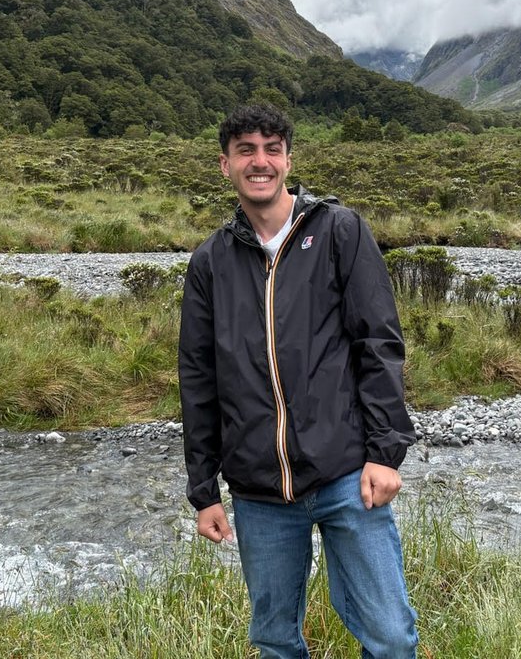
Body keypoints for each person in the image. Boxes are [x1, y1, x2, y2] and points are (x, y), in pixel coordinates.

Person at [179, 102, 418, 659]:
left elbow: (377, 343)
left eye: (271, 149)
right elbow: (198, 378)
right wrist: (203, 490)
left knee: (388, 636)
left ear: (288, 159)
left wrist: (386, 452)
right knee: (274, 640)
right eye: (246, 151)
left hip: (346, 476)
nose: (259, 162)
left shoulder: (338, 232)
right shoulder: (210, 262)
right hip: (258, 493)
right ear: (225, 165)